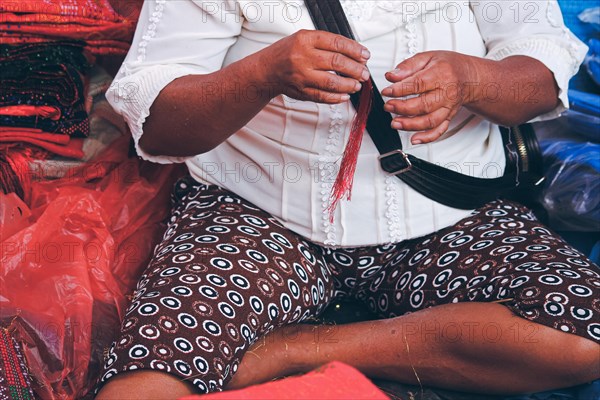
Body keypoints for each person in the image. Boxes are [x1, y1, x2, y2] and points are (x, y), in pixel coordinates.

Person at [95, 1, 599, 398]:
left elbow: (542, 71)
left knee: (587, 334)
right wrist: (262, 74)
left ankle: (298, 349)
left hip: (447, 215)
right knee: (145, 382)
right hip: (258, 213)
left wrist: (472, 80)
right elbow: (159, 125)